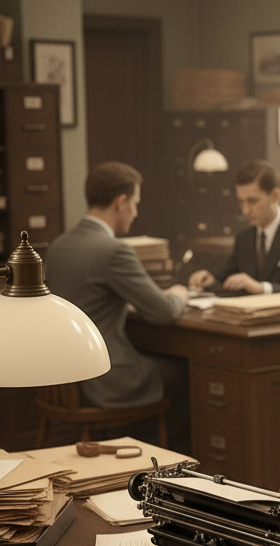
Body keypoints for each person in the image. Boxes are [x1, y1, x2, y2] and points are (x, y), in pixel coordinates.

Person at [43, 161, 190, 447]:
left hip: (65, 380)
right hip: (107, 378)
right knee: (186, 375)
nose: (136, 212)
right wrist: (179, 294)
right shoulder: (113, 251)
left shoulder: (59, 245)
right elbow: (162, 311)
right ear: (121, 202)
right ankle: (169, 470)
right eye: (135, 203)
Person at [188, 160, 280, 297]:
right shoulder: (244, 237)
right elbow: (229, 277)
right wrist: (210, 280)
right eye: (241, 202)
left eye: (252, 201)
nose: (245, 210)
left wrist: (263, 288)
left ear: (275, 196)